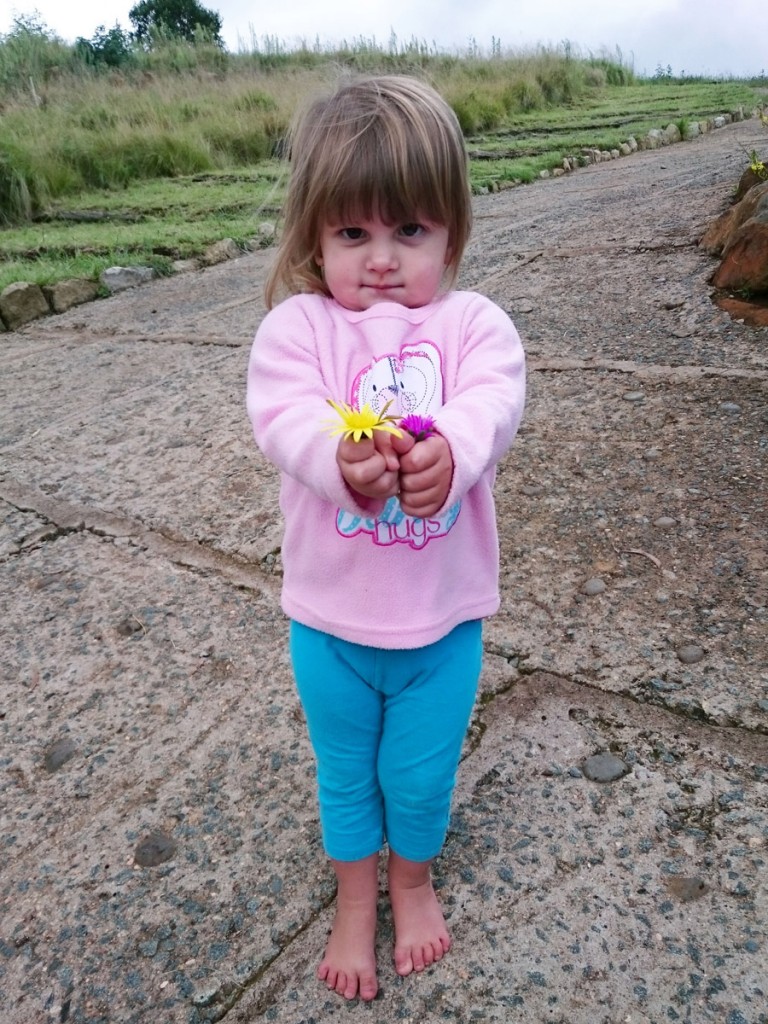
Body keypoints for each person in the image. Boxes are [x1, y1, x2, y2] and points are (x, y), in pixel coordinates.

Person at [246, 73, 526, 1002]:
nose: (380, 259)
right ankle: (354, 898)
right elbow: (283, 417)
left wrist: (455, 446)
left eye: (409, 230)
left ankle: (412, 881)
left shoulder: (471, 325)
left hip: (442, 629)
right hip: (328, 625)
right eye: (352, 233)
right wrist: (338, 458)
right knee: (343, 773)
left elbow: (493, 398)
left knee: (420, 776)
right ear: (314, 237)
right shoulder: (298, 329)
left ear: (450, 229)